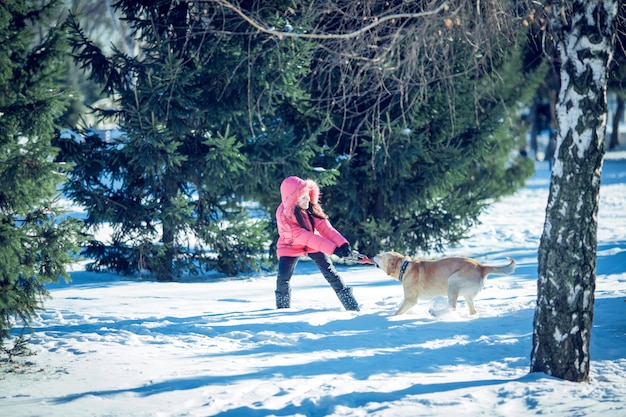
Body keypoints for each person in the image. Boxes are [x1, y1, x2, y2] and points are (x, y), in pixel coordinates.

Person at [274, 176, 360, 311]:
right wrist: (333, 249)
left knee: (330, 273)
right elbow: (304, 236)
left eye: (307, 195)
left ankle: (352, 306)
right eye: (302, 197)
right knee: (283, 278)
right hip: (290, 244)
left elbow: (326, 228)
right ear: (292, 200)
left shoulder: (311, 208)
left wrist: (342, 244)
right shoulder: (284, 216)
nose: (307, 199)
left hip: (313, 242)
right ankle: (282, 309)